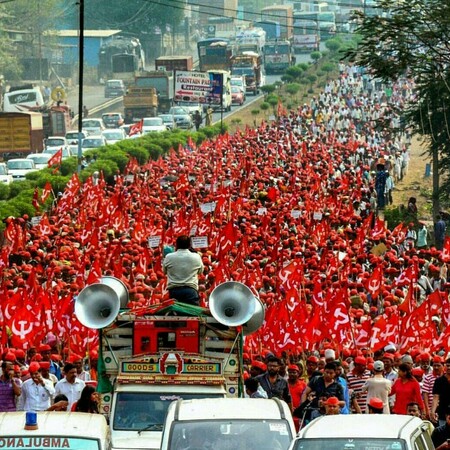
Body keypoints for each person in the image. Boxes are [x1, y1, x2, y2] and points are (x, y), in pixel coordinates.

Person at [162, 235, 204, 306]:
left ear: (176, 244)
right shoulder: (196, 257)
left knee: (174, 314)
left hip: (174, 292)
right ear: (189, 245)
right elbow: (200, 271)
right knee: (192, 314)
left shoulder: (169, 257)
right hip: (191, 291)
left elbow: (164, 271)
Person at [431, 357, 450, 426]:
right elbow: (436, 397)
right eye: (447, 366)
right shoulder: (439, 381)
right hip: (443, 412)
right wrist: (432, 411)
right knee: (443, 433)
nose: (449, 368)